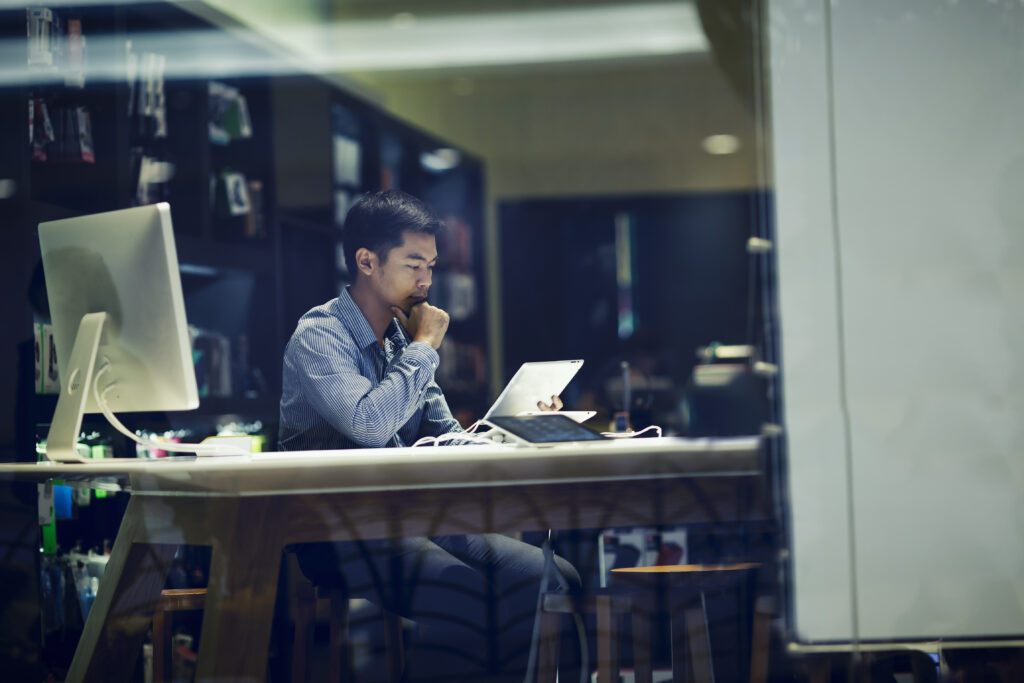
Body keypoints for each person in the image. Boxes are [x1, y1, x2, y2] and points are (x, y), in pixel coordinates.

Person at [279, 190, 580, 682]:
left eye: (432, 266)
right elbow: (369, 427)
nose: (427, 281)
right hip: (337, 529)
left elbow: (446, 436)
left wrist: (517, 429)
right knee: (464, 596)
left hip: (411, 517)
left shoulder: (402, 339)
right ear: (367, 261)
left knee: (555, 578)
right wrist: (424, 348)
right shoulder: (321, 336)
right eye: (414, 264)